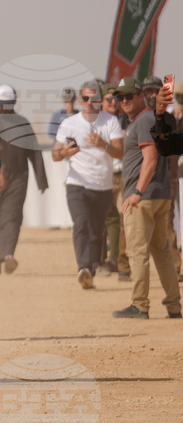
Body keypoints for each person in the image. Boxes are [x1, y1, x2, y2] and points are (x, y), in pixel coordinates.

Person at [112, 77, 181, 319]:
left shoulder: (143, 121)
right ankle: (174, 305)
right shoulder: (146, 120)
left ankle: (139, 305)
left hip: (144, 197)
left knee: (137, 252)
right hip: (159, 194)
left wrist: (137, 192)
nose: (124, 101)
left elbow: (150, 159)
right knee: (161, 252)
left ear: (141, 96)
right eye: (120, 97)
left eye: (129, 95)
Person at [52, 80, 124, 290]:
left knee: (96, 232)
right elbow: (55, 154)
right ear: (80, 100)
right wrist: (63, 153)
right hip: (77, 183)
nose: (89, 102)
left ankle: (90, 271)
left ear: (100, 100)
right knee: (81, 223)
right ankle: (83, 267)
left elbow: (120, 153)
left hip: (102, 186)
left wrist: (104, 144)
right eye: (85, 98)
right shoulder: (69, 123)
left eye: (93, 98)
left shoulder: (110, 121)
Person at [0, 85, 48, 274]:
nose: (5, 107)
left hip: (20, 176)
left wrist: (41, 179)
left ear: (15, 102)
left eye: (9, 103)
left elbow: (34, 151)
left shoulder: (22, 123)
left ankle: (8, 255)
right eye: (2, 103)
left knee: (12, 216)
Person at [142, 76, 181, 276]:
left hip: (164, 178)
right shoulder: (137, 116)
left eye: (155, 90)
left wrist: (172, 178)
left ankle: (175, 266)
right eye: (147, 91)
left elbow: (173, 150)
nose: (151, 94)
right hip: (141, 178)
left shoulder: (169, 118)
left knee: (166, 222)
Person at [99, 83, 130, 280]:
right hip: (103, 174)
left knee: (125, 218)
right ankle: (100, 261)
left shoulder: (127, 119)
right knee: (102, 218)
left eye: (116, 99)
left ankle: (121, 263)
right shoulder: (96, 122)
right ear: (101, 102)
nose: (114, 102)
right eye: (109, 99)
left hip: (124, 173)